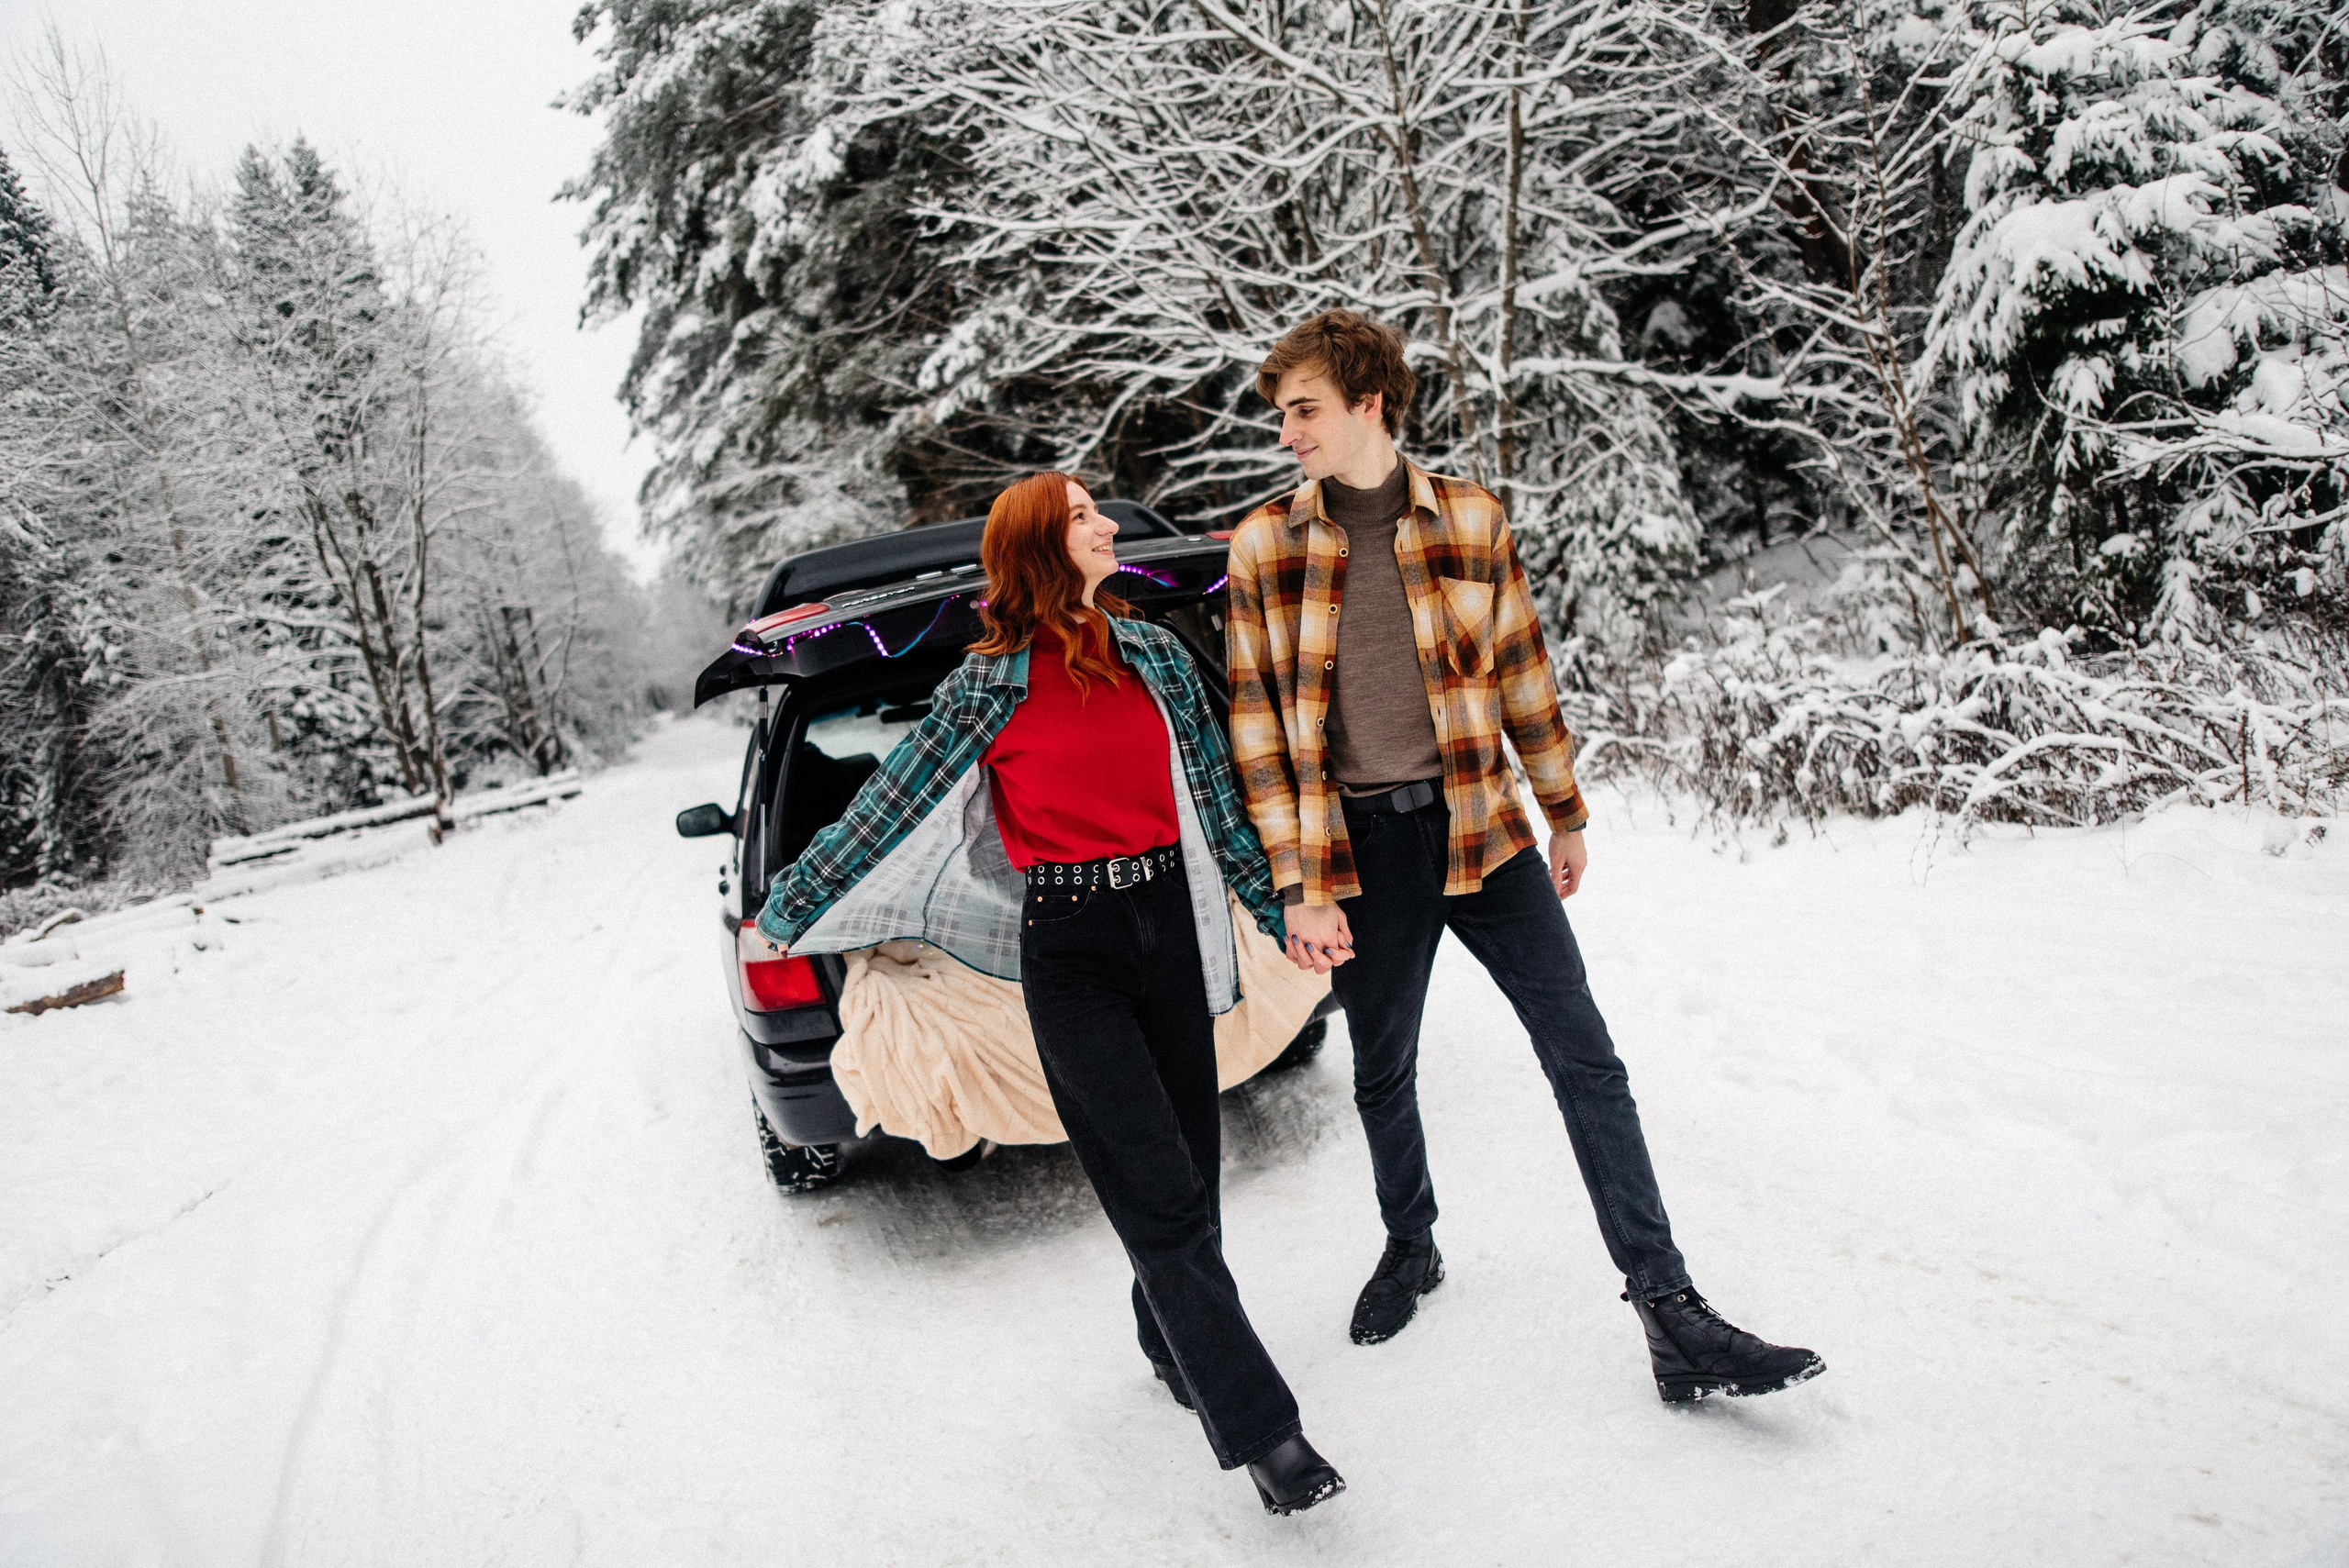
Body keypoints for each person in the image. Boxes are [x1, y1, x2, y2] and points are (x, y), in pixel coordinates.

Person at [1226, 309, 1823, 1404]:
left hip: (1483, 829)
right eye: (1280, 415)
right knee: (1380, 1068)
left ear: (1369, 403)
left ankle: (1667, 1304)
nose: (1286, 433)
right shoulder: (1265, 543)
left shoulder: (1468, 519)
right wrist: (1300, 884)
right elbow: (1258, 730)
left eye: (1303, 409)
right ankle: (1412, 1243)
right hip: (1360, 846)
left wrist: (1566, 811)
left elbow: (1520, 673)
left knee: (1586, 1057)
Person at [753, 472, 1347, 1514]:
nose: (1107, 524)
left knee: (1189, 1171)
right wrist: (789, 901)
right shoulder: (988, 684)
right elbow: (888, 809)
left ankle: (1166, 1335)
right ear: (1038, 542)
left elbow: (1220, 803)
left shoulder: (1157, 654)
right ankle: (1266, 1430)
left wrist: (1283, 902)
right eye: (1084, 515)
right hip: (1068, 948)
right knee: (1154, 1189)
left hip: (1170, 921)